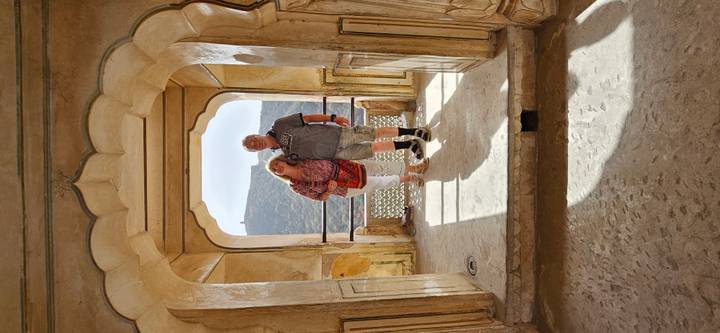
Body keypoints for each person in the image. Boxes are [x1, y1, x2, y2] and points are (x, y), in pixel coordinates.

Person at [243, 113, 430, 164]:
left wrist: (332, 118)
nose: (256, 143)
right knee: (374, 149)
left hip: (337, 135)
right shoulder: (282, 155)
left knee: (375, 134)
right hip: (337, 155)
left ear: (256, 134)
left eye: (253, 139)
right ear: (257, 151)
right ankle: (409, 145)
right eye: (253, 147)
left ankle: (414, 131)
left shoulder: (279, 125)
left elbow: (307, 118)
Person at [266, 154, 429, 201]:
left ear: (282, 160)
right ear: (278, 174)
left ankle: (415, 167)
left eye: (276, 164)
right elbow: (319, 198)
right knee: (378, 183)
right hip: (342, 188)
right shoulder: (295, 186)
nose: (277, 168)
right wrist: (328, 191)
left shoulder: (300, 158)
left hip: (345, 166)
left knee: (379, 167)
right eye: (275, 170)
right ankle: (410, 179)